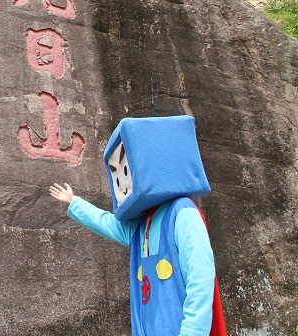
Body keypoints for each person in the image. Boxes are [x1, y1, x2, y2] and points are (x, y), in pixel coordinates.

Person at [49, 116, 226, 336]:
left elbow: (201, 278)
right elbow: (107, 223)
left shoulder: (182, 211)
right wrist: (75, 202)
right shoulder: (142, 225)